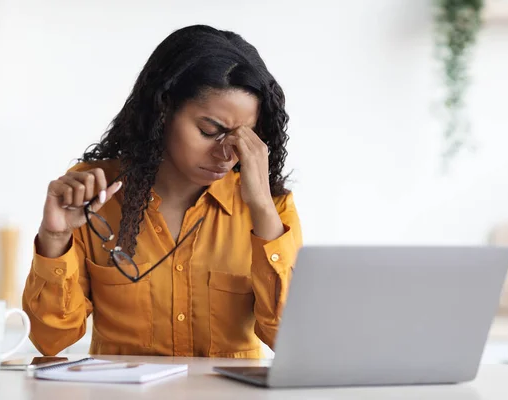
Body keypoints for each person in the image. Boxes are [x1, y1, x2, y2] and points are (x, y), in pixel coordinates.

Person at [22, 24, 302, 358]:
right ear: (163, 110)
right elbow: (50, 339)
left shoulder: (271, 207)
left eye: (244, 138)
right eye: (209, 131)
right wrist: (54, 240)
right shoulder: (93, 195)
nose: (226, 155)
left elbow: (291, 341)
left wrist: (262, 210)